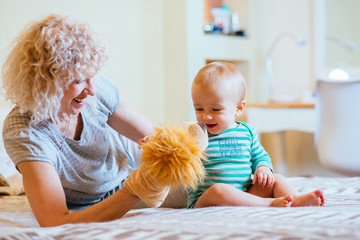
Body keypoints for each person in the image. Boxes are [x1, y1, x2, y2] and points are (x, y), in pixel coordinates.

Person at [1, 14, 157, 227]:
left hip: (129, 173)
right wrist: (138, 188)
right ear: (44, 82)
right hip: (107, 198)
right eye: (79, 80)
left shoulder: (96, 87)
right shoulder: (24, 131)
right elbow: (54, 221)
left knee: (215, 189)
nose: (91, 90)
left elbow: (157, 139)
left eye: (93, 76)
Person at [187, 61, 325, 209]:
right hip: (206, 200)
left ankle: (296, 200)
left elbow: (260, 156)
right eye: (199, 109)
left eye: (215, 109)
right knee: (219, 189)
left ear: (239, 108)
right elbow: (178, 156)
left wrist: (263, 168)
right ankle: (270, 203)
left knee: (277, 179)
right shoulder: (195, 133)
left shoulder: (246, 132)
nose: (206, 116)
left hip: (247, 194)